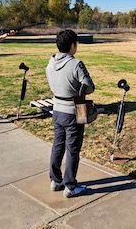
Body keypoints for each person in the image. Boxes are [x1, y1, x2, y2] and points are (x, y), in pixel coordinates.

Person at [46, 29, 95, 198]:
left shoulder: (51, 61)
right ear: (73, 45)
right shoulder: (76, 64)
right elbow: (90, 87)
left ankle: (55, 180)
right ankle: (70, 186)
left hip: (56, 109)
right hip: (73, 111)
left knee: (57, 146)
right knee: (73, 149)